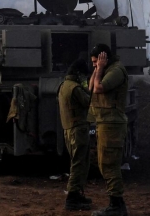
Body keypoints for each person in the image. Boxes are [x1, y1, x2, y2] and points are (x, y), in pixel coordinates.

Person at [88, 44, 129, 216]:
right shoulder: (104, 69)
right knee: (104, 164)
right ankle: (115, 204)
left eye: (96, 61)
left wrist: (100, 68)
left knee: (110, 165)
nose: (94, 65)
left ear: (105, 58)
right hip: (104, 123)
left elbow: (98, 88)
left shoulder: (116, 71)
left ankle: (117, 206)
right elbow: (91, 86)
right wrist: (98, 68)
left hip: (112, 124)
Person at [58, 56, 92, 211]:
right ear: (78, 73)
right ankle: (72, 197)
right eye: (83, 75)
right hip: (78, 129)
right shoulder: (75, 88)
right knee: (79, 164)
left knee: (77, 162)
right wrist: (86, 85)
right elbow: (89, 101)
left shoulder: (64, 85)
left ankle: (77, 194)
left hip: (69, 129)